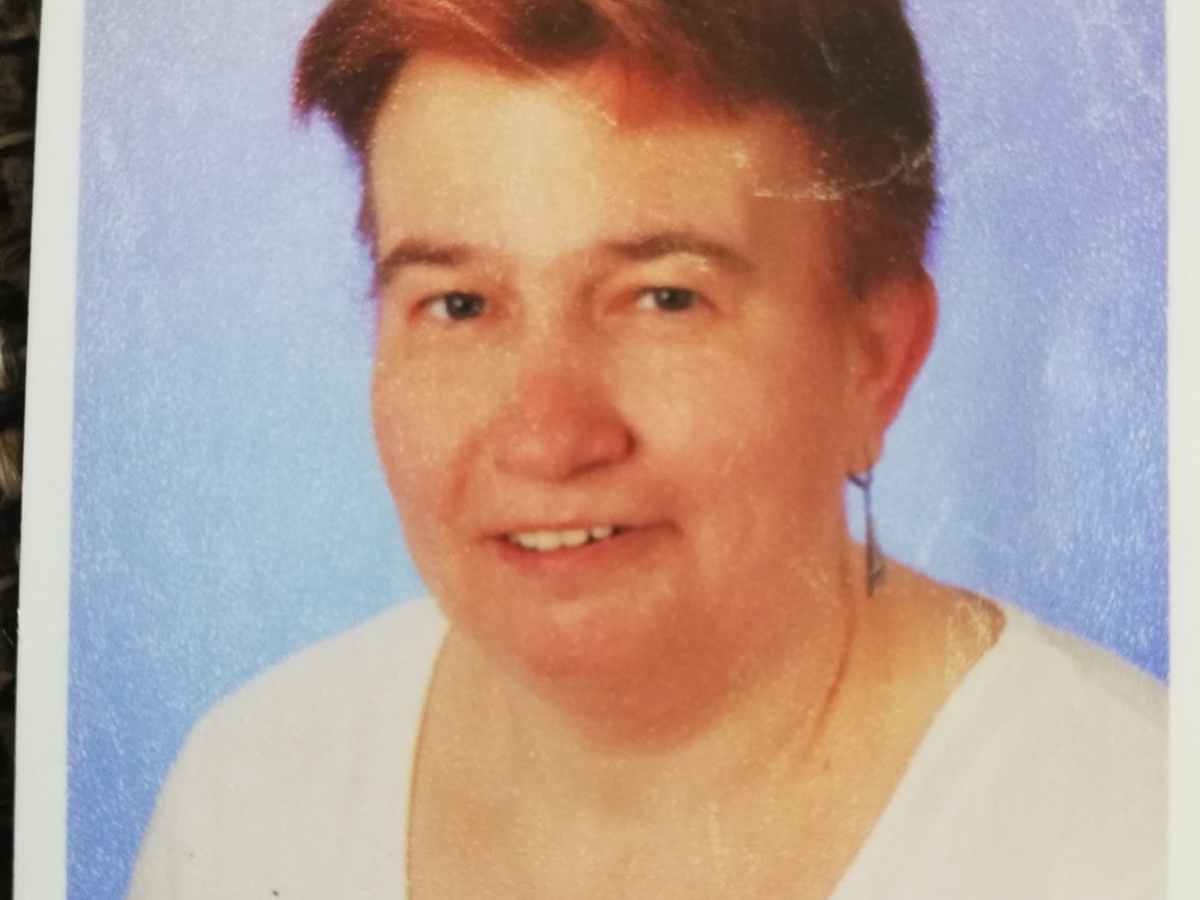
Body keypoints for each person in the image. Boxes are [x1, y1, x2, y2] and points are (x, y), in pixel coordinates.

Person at [127, 1, 1166, 897]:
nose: (545, 437)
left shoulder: (1136, 839)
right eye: (459, 304)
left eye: (665, 298)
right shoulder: (250, 797)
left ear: (877, 361)